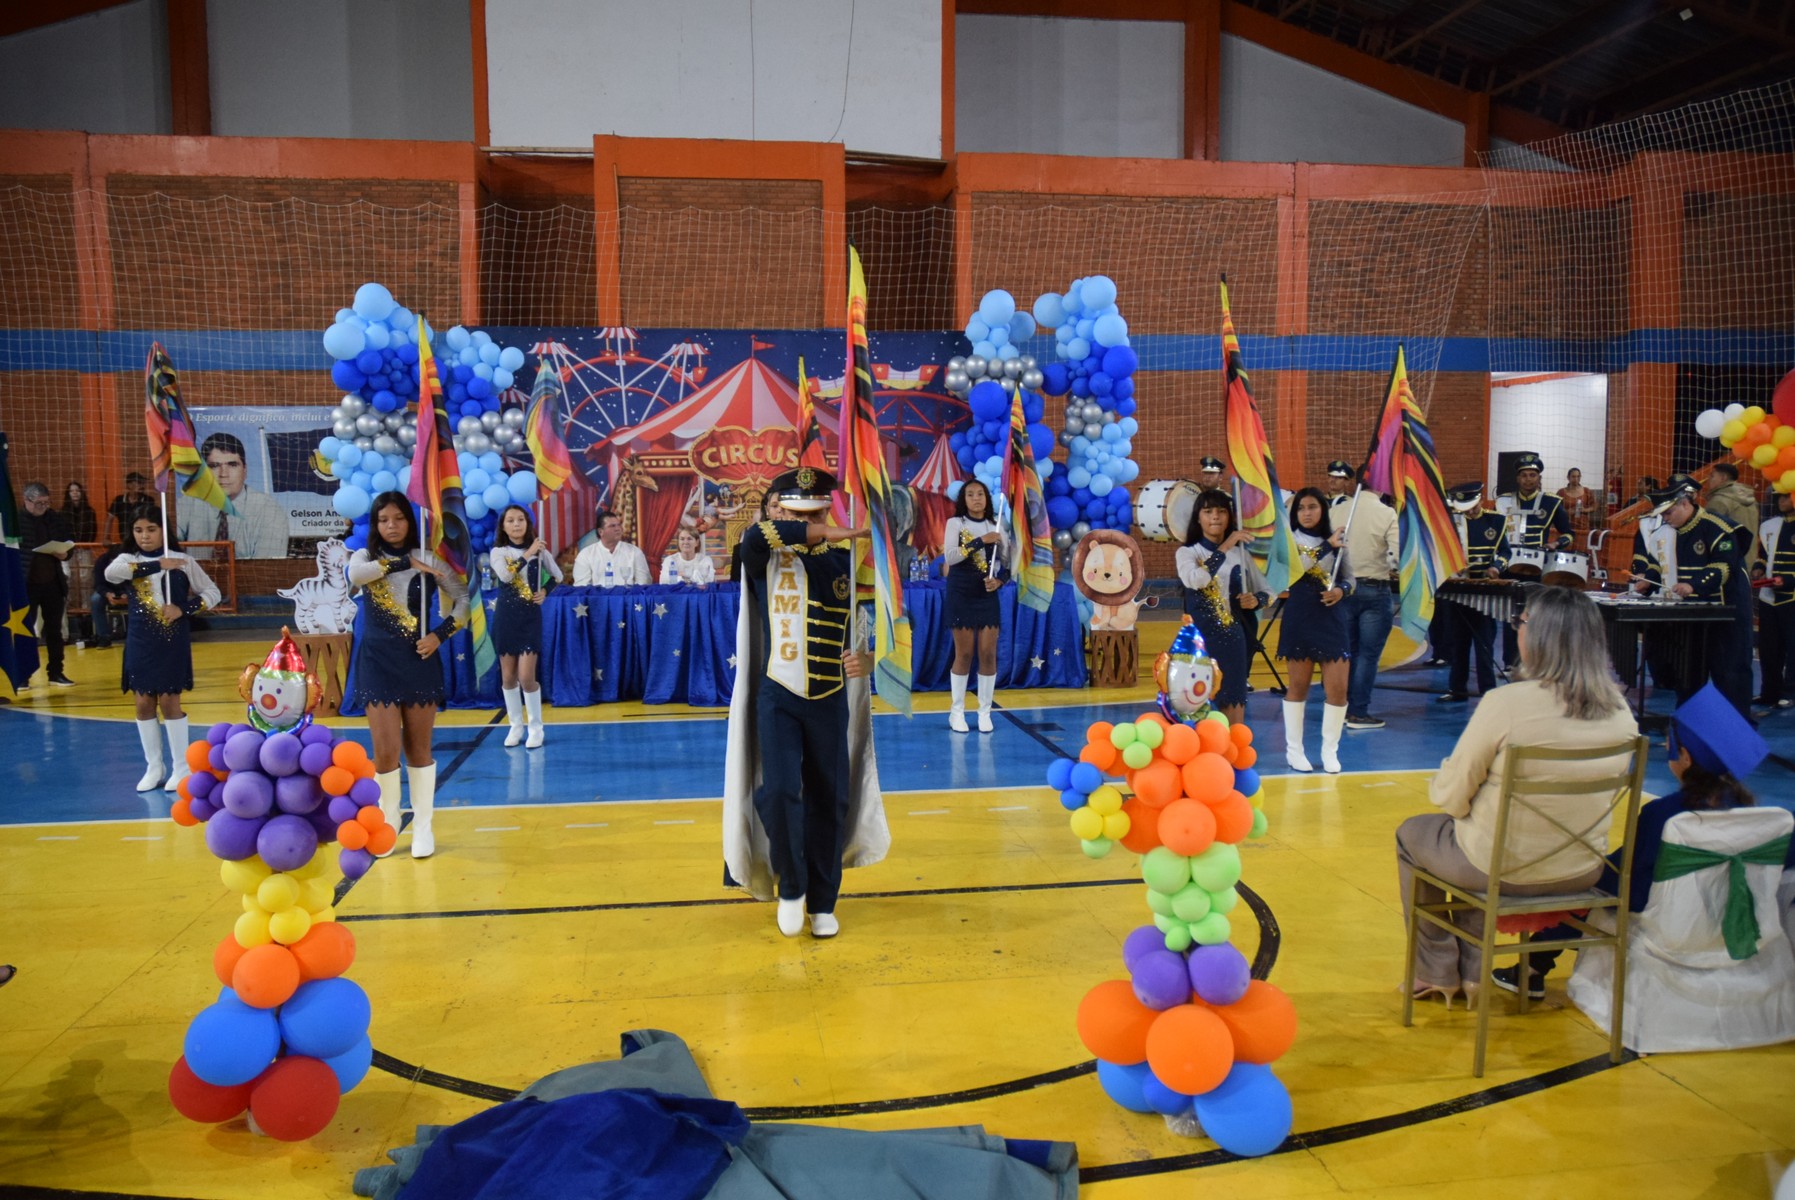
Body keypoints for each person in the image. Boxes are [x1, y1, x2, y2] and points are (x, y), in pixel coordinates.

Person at [1396, 585, 1639, 1004]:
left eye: (1521, 622)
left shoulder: (1506, 703)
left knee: (1417, 835)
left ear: (1541, 637)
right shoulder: (1621, 710)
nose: (1516, 629)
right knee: (1481, 833)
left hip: (1501, 868)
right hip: (1581, 868)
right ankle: (1472, 973)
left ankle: (1435, 970)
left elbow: (1451, 797)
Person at [1496, 683, 1791, 997]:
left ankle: (1532, 967)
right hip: (1736, 930)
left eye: (1670, 742)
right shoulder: (1762, 820)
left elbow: (1628, 888)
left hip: (1673, 932)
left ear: (1685, 757)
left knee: (1590, 884)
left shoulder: (1665, 817)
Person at [721, 467, 886, 938]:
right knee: (778, 793)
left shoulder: (847, 561)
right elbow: (759, 534)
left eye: (814, 514)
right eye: (797, 513)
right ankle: (791, 886)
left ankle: (823, 901)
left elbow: (882, 620)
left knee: (829, 799)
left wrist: (869, 657)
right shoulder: (762, 552)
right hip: (778, 695)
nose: (805, 521)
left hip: (830, 697)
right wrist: (839, 531)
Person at [346, 492, 468, 859]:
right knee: (385, 752)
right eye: (384, 520)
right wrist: (403, 562)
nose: (392, 526)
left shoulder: (429, 559)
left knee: (419, 749)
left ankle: (423, 828)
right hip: (377, 663)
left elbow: (463, 600)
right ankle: (389, 823)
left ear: (409, 522)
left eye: (399, 518)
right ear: (375, 524)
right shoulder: (363, 557)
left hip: (418, 661)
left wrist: (439, 635)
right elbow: (356, 577)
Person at [104, 504, 220, 791]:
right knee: (143, 703)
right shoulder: (128, 560)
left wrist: (183, 609)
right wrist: (158, 565)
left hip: (171, 640)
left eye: (151, 529)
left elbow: (213, 592)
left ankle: (181, 767)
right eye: (138, 530)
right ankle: (154, 767)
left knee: (169, 702)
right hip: (140, 641)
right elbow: (111, 573)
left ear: (163, 531)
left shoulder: (183, 561)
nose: (144, 536)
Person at [1630, 475, 1753, 716]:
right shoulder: (1665, 532)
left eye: (1668, 513)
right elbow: (1658, 563)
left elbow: (1723, 566)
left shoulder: (1718, 527)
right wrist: (1648, 581)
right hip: (1690, 614)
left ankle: (1737, 725)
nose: (1665, 518)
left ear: (1685, 504)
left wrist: (1693, 585)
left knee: (1730, 672)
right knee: (1688, 673)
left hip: (1726, 613)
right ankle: (1688, 722)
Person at [1175, 490, 1267, 726]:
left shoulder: (1242, 554)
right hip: (1197, 641)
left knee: (1233, 702)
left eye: (1221, 511)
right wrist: (1225, 547)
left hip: (1233, 640)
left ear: (1229, 517)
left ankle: (1233, 747)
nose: (1215, 516)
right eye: (1208, 511)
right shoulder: (1187, 553)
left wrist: (1256, 600)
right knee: (1194, 706)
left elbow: (1268, 591)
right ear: (1198, 518)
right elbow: (1196, 580)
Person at [1278, 487, 1352, 774]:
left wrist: (1341, 590)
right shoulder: (1289, 540)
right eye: (1301, 508)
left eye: (1312, 507)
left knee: (1338, 689)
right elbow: (1294, 571)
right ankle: (1294, 751)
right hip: (1300, 617)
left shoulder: (1337, 538)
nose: (1306, 513)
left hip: (1331, 619)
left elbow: (1351, 578)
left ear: (1323, 509)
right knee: (1298, 686)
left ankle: (1330, 751)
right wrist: (1327, 547)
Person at [1328, 469, 1400, 731]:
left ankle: (1339, 707)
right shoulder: (1386, 513)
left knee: (1346, 652)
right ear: (1380, 484)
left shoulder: (1336, 511)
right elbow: (1397, 555)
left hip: (1342, 588)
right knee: (1368, 655)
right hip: (1373, 588)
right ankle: (1358, 712)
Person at [490, 504, 561, 750]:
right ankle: (515, 726)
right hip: (506, 618)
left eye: (521, 519)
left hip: (530, 618)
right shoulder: (498, 552)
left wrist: (545, 591)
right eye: (510, 520)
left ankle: (536, 728)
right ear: (503, 526)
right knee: (508, 677)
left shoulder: (540, 552)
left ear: (528, 523)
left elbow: (558, 575)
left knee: (526, 677)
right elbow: (506, 576)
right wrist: (529, 552)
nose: (516, 524)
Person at [942, 479, 1009, 733]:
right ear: (964, 499)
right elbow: (951, 557)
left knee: (988, 653)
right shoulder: (955, 523)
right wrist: (981, 540)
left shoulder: (997, 525)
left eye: (980, 494)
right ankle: (957, 712)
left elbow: (1008, 564)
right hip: (961, 593)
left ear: (987, 498)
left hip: (986, 596)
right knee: (965, 654)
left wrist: (999, 581)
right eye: (970, 494)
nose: (976, 498)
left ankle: (984, 712)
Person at [1439, 482, 1510, 703]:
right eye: (1465, 509)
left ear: (1480, 500)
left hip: (1484, 591)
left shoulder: (1495, 521)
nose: (1469, 512)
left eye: (1472, 507)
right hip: (1458, 590)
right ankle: (1457, 689)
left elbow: (1505, 552)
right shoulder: (1451, 522)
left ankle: (1487, 691)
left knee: (1484, 644)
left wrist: (1496, 567)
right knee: (1458, 643)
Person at [176, 432, 292, 559]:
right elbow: (168, 550)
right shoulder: (187, 503)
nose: (223, 474)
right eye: (214, 466)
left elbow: (267, 567)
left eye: (232, 465)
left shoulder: (269, 511)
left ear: (245, 470)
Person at [18, 482, 74, 689]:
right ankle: (22, 675)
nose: (43, 507)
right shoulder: (16, 520)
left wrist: (65, 554)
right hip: (26, 585)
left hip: (52, 583)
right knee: (23, 631)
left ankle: (56, 672)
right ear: (26, 501)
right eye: (39, 503)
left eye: (46, 502)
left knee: (54, 631)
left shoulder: (55, 519)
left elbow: (69, 543)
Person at [1754, 490, 1795, 709]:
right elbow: (1763, 555)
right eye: (1779, 496)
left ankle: (1790, 693)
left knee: (1793, 648)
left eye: (1786, 496)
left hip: (1792, 598)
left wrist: (1788, 580)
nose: (1781, 501)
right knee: (1768, 648)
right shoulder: (1768, 526)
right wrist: (1758, 568)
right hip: (1768, 597)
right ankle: (1769, 692)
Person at [1496, 453, 1573, 553]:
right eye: (1524, 475)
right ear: (1518, 479)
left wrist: (1556, 543)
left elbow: (1569, 534)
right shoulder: (1503, 501)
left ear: (1539, 478)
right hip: (1507, 557)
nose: (1528, 479)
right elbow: (1493, 531)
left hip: (1539, 559)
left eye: (1532, 475)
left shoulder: (1552, 502)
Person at [573, 509, 651, 587]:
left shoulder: (634, 552)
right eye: (612, 526)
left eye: (619, 525)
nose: (618, 529)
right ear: (600, 532)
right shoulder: (586, 555)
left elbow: (644, 584)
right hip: (597, 595)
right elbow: (582, 587)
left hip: (629, 594)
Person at [1704, 463, 1759, 570]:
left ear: (1723, 478)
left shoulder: (1719, 501)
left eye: (1712, 476)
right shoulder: (1751, 499)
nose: (1708, 479)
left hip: (1728, 562)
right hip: (1749, 559)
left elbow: (1709, 532)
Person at [105, 472, 149, 543]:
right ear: (129, 485)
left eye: (142, 483)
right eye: (138, 483)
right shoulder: (119, 500)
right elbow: (110, 519)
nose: (142, 485)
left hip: (143, 540)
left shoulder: (148, 500)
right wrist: (106, 538)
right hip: (124, 540)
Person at [1556, 467, 1596, 542]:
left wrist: (1584, 510)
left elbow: (1594, 506)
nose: (1576, 479)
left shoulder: (1587, 491)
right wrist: (1566, 512)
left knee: (1582, 547)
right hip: (1565, 527)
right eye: (1573, 476)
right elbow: (1555, 509)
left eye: (1578, 476)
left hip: (1583, 527)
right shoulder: (1561, 492)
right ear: (1568, 477)